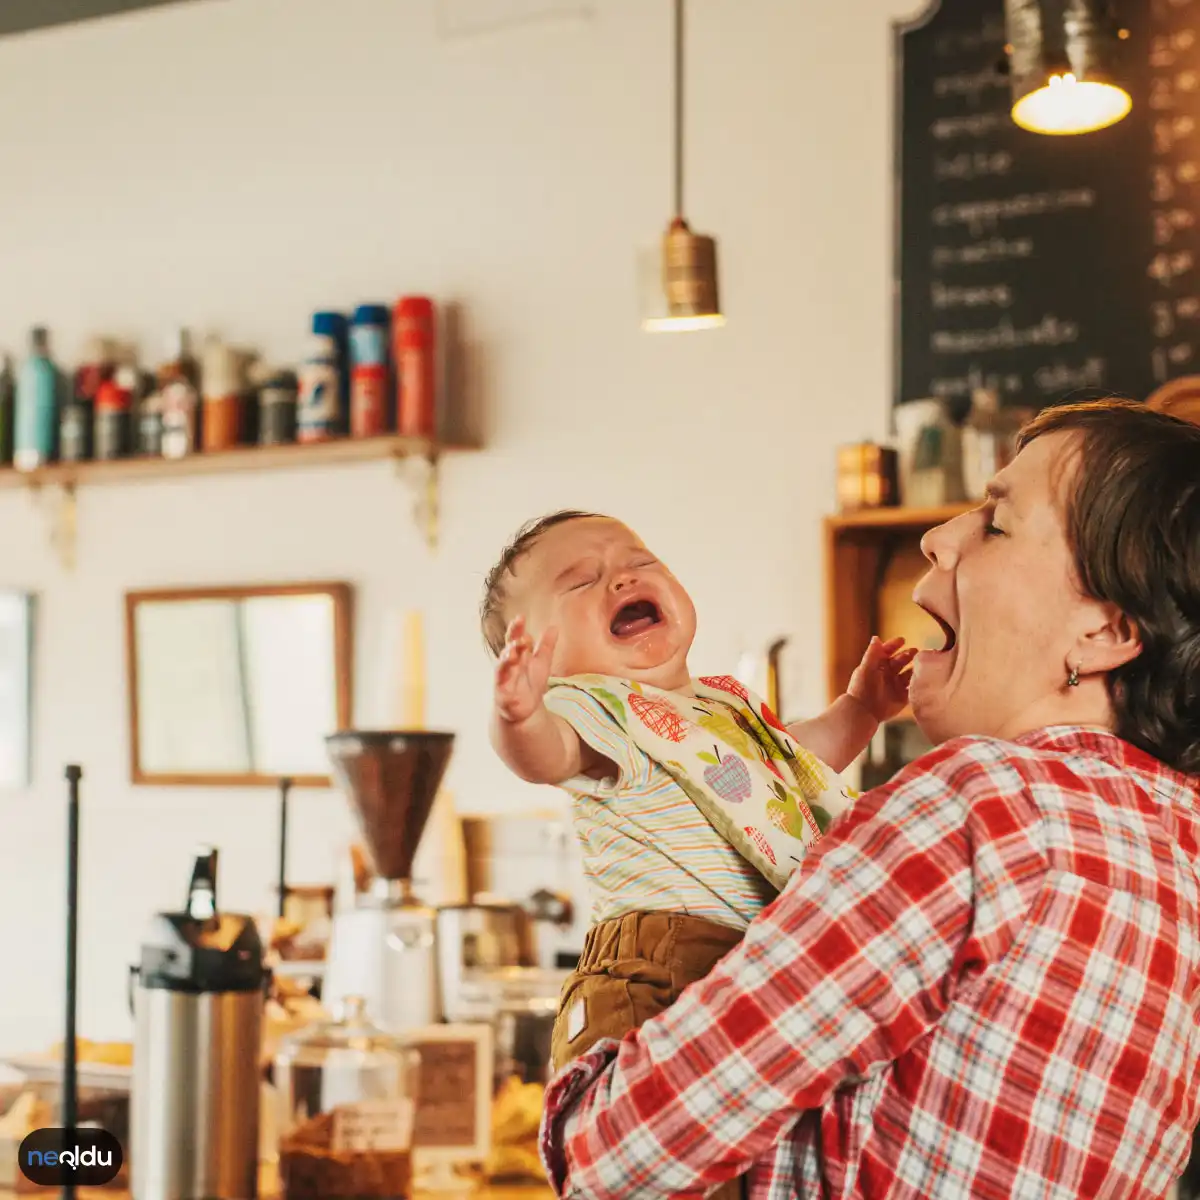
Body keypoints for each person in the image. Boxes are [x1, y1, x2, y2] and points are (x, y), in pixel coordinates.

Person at [535, 396, 1200, 1200]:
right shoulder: (1176, 838)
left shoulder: (975, 807)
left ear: (1105, 629)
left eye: (995, 524)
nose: (938, 535)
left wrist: (595, 1033)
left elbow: (618, 1160)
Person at [480, 516, 912, 1101]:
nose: (620, 578)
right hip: (659, 970)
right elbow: (548, 757)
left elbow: (790, 769)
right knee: (652, 1141)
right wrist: (519, 716)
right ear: (543, 659)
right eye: (581, 581)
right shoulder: (593, 706)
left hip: (756, 960)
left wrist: (860, 709)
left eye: (640, 560)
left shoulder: (721, 705)